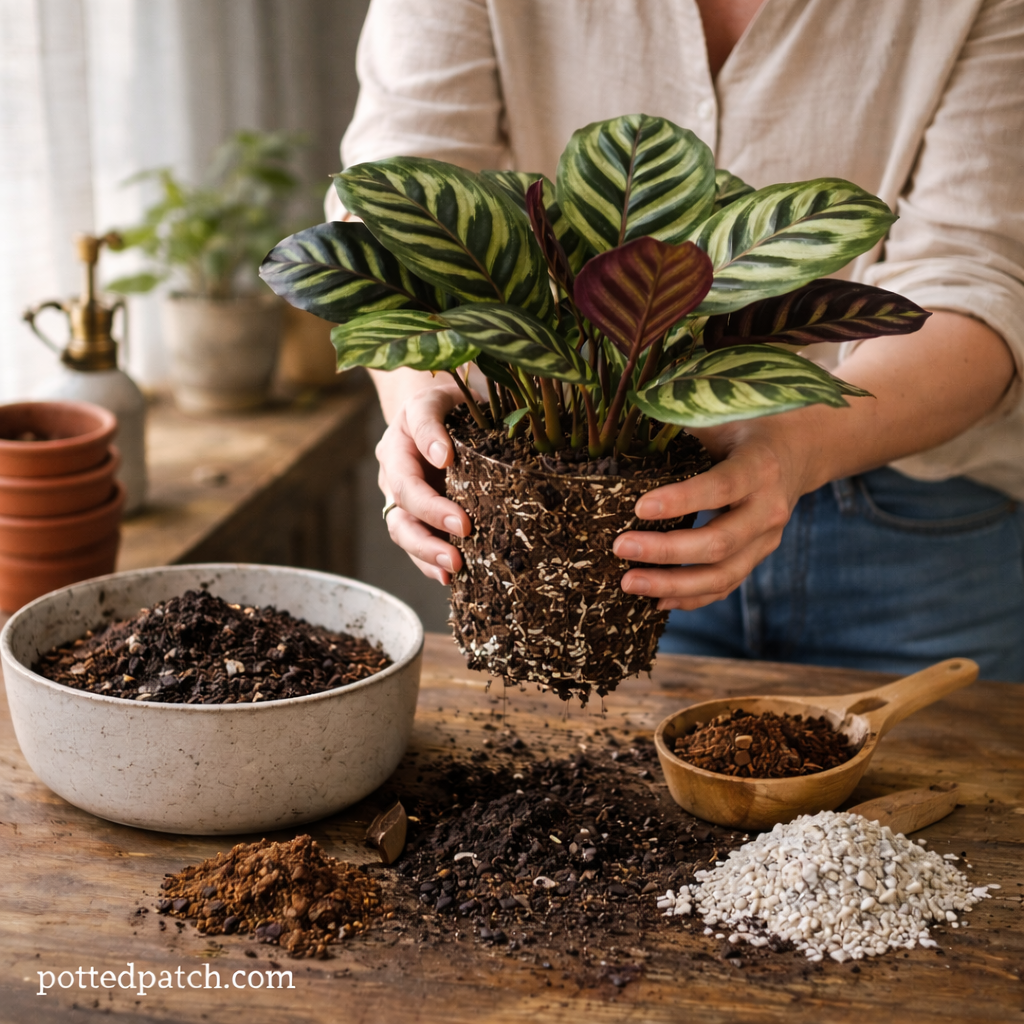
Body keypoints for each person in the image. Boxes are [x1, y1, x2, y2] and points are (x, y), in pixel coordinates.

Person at [330, 0, 1024, 680]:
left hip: (914, 519)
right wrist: (428, 399)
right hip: (613, 519)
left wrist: (799, 445)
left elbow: (978, 273)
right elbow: (397, 208)